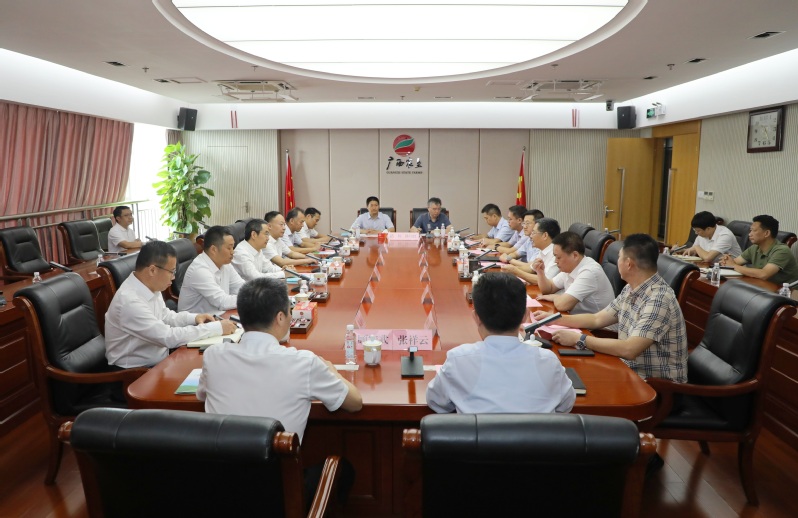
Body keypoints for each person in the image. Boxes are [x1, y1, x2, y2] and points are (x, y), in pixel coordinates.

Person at [197, 277, 363, 443]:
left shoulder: (213, 356)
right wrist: (333, 372)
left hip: (221, 459)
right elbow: (355, 403)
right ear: (280, 317)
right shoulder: (304, 363)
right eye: (290, 311)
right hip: (276, 460)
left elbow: (202, 396)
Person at [533, 233, 688, 383]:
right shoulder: (631, 288)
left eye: (619, 257)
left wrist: (579, 339)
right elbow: (597, 319)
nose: (617, 262)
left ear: (628, 264)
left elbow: (629, 349)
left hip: (654, 384)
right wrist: (555, 319)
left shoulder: (659, 299)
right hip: (626, 367)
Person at [426, 272, 575, 414]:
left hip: (479, 433)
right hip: (535, 434)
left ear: (476, 317)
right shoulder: (548, 362)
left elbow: (437, 402)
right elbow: (565, 405)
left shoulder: (459, 359)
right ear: (525, 316)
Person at [105, 241, 237, 368]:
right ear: (152, 270)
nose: (173, 278)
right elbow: (168, 336)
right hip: (136, 373)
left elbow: (165, 316)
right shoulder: (130, 301)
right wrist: (216, 328)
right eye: (172, 272)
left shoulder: (149, 285)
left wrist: (195, 318)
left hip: (162, 360)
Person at [536, 231, 615, 315]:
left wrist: (554, 297)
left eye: (558, 257)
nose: (555, 261)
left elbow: (562, 305)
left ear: (575, 255)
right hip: (578, 318)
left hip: (596, 323)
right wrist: (540, 272)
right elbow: (549, 288)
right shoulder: (570, 267)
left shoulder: (589, 272)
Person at [178, 226, 245, 313]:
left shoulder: (225, 264)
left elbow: (240, 286)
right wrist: (250, 297)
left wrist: (254, 293)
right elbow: (222, 302)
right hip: (196, 320)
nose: (232, 252)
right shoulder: (200, 270)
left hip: (217, 315)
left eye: (233, 247)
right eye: (229, 248)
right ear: (213, 249)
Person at [720, 214, 798, 285]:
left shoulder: (782, 251)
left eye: (754, 230)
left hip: (785, 292)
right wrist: (726, 260)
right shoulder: (755, 248)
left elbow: (764, 274)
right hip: (763, 286)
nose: (749, 234)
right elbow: (735, 262)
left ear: (766, 233)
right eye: (750, 230)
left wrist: (733, 265)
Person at [500, 217, 560, 284]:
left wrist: (516, 271)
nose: (531, 236)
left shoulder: (556, 254)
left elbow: (545, 281)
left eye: (533, 233)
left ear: (545, 235)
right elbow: (531, 268)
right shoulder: (543, 250)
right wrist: (510, 268)